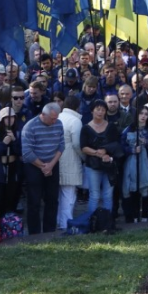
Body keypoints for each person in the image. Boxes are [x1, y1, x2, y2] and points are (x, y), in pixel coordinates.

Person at [21, 102, 65, 235]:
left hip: (53, 164)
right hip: (34, 166)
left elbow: (61, 146)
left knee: (52, 199)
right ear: (43, 115)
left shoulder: (58, 124)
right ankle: (34, 233)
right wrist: (43, 166)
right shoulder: (30, 126)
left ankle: (49, 231)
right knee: (34, 200)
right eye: (52, 118)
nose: (54, 121)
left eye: (56, 118)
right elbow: (27, 152)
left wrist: (51, 165)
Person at [80, 99, 121, 213]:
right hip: (93, 165)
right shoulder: (86, 128)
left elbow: (116, 144)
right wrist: (97, 153)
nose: (100, 112)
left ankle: (107, 220)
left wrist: (106, 152)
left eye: (103, 110)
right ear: (92, 111)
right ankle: (92, 220)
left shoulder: (111, 126)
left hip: (109, 165)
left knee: (108, 195)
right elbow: (83, 147)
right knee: (94, 195)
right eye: (98, 109)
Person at [121, 106, 148, 222]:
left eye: (146, 114)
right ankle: (134, 215)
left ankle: (145, 215)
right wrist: (132, 150)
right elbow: (122, 146)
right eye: (141, 113)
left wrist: (147, 142)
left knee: (147, 189)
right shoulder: (129, 129)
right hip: (132, 164)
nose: (143, 116)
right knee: (133, 188)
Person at [56, 97, 84, 230]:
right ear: (77, 106)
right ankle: (66, 223)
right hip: (70, 159)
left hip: (56, 158)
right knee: (69, 195)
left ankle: (59, 220)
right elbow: (77, 144)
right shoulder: (75, 121)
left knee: (60, 195)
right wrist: (84, 157)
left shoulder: (58, 117)